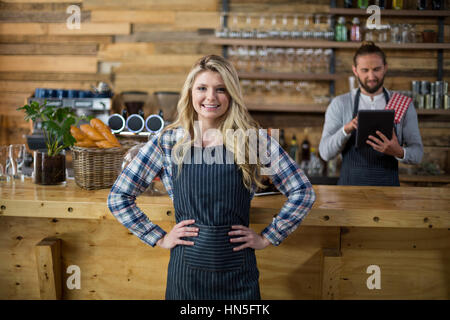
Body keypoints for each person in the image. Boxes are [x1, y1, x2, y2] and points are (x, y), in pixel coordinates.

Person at [107, 55, 316, 300]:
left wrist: (269, 236)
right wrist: (159, 237)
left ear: (232, 95)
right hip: (186, 276)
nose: (210, 97)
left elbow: (303, 192)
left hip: (238, 275)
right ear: (190, 93)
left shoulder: (253, 140)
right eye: (202, 88)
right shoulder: (168, 141)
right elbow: (119, 197)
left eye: (221, 89)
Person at [319, 42, 423, 186]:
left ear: (385, 68)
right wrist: (346, 129)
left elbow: (417, 154)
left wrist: (398, 151)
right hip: (349, 193)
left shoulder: (403, 104)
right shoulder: (340, 104)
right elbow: (325, 153)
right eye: (365, 70)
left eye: (376, 69)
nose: (371, 76)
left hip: (389, 192)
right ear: (355, 70)